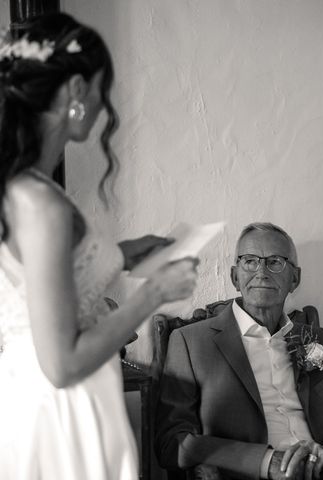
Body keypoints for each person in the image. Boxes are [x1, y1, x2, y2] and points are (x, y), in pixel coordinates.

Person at [0, 13, 199, 480]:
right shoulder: (42, 204)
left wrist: (124, 253)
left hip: (39, 396)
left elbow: (45, 275)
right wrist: (155, 293)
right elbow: (63, 364)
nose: (102, 103)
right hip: (62, 410)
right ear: (74, 90)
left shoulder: (26, 189)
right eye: (99, 88)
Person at [155, 222, 323, 480]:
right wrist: (265, 462)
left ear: (295, 278)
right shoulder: (190, 342)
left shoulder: (315, 340)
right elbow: (173, 442)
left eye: (275, 262)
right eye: (250, 261)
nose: (262, 272)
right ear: (235, 276)